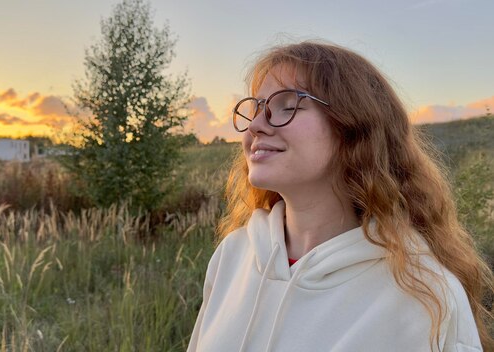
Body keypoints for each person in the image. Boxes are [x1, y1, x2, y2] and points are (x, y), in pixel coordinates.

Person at [187, 41, 493, 352]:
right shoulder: (234, 254)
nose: (254, 126)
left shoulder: (425, 295)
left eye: (288, 106)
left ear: (352, 126)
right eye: (256, 108)